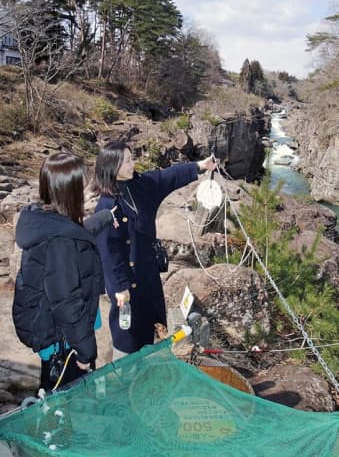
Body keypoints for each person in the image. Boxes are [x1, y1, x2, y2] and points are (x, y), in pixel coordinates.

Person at [94, 139, 217, 359]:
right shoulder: (106, 205)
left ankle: (142, 373)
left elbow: (167, 177)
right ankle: (124, 377)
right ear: (112, 166)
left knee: (146, 327)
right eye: (128, 161)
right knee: (127, 333)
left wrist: (200, 166)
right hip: (126, 281)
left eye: (132, 159)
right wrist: (119, 287)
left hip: (146, 272)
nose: (133, 164)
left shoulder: (140, 185)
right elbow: (109, 252)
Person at [12, 152, 118, 391]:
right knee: (63, 407)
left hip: (56, 334)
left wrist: (104, 218)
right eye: (82, 185)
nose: (86, 191)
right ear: (68, 191)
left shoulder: (47, 221)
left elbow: (77, 233)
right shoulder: (60, 242)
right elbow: (66, 302)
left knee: (53, 395)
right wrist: (85, 351)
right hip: (65, 342)